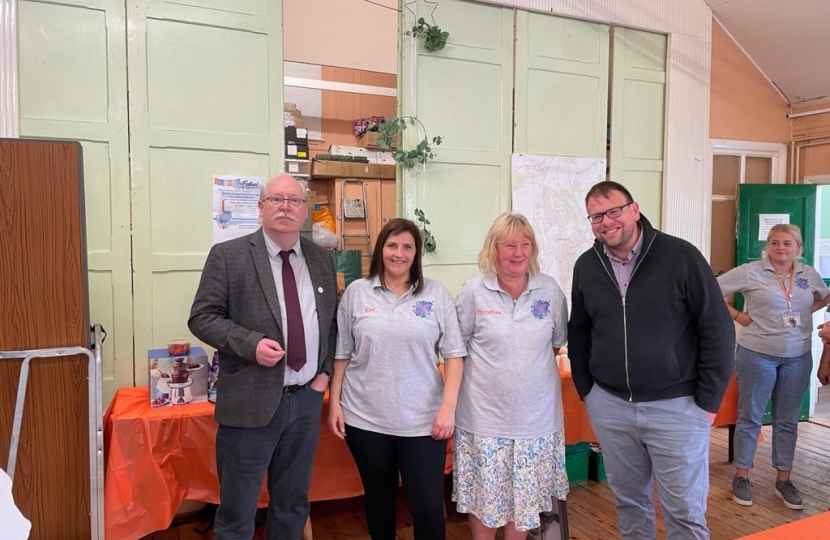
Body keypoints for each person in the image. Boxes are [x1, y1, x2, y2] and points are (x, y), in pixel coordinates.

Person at [568, 181, 734, 540]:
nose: (606, 222)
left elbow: (718, 329)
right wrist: (588, 391)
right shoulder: (587, 265)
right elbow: (579, 330)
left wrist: (707, 402)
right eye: (596, 216)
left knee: (685, 512)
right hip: (611, 406)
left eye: (613, 211)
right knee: (629, 504)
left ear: (634, 209)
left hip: (678, 407)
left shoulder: (681, 256)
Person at [188, 175, 338, 540]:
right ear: (260, 207)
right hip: (249, 402)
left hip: (305, 402)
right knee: (238, 511)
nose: (285, 206)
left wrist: (324, 374)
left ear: (305, 211)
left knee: (292, 504)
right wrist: (251, 343)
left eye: (294, 201)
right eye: (276, 199)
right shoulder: (228, 256)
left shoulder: (321, 259)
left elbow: (334, 323)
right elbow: (202, 318)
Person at [327, 218, 465, 540]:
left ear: (416, 253)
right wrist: (335, 404)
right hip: (365, 419)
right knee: (378, 499)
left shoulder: (436, 294)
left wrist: (448, 408)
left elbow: (455, 356)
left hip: (423, 421)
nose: (398, 254)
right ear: (381, 249)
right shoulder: (356, 293)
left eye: (407, 247)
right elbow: (342, 355)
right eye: (392, 245)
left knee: (428, 505)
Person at [453, 212, 570, 540]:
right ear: (494, 249)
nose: (518, 253)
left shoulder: (549, 291)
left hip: (537, 422)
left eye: (525, 244)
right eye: (509, 245)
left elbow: (556, 343)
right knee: (485, 502)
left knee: (524, 504)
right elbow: (454, 351)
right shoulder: (473, 292)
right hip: (484, 422)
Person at [717, 223, 829, 510]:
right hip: (757, 353)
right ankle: (742, 475)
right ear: (768, 246)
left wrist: (805, 311)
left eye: (787, 243)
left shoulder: (809, 275)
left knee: (787, 421)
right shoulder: (750, 271)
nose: (781, 248)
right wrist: (739, 316)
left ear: (798, 248)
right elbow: (710, 289)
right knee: (751, 416)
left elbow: (822, 297)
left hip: (797, 356)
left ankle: (784, 479)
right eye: (775, 242)